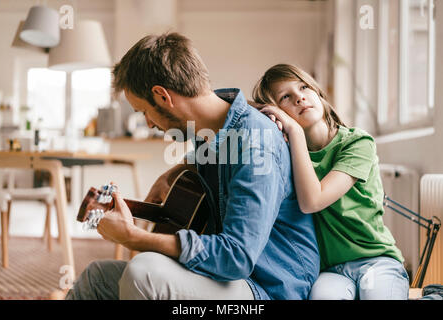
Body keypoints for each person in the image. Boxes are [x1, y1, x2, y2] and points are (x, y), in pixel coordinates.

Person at [65, 33, 320, 300]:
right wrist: (173, 172)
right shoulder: (210, 132)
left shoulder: (256, 143)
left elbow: (236, 257)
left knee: (144, 273)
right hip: (227, 278)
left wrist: (133, 237)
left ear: (162, 96)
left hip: (267, 287)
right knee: (96, 277)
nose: (149, 124)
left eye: (143, 112)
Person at [251, 63, 410, 300]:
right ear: (278, 113)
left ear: (318, 93)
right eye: (286, 96)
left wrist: (294, 130)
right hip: (331, 271)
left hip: (377, 260)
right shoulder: (286, 155)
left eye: (304, 87)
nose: (300, 97)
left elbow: (312, 201)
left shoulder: (357, 143)